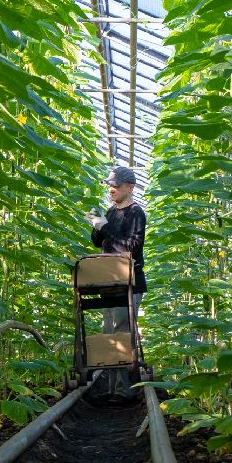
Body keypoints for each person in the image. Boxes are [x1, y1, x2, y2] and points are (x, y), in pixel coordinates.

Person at [85, 165, 146, 401]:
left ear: (129, 187)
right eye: (109, 185)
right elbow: (98, 243)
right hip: (107, 280)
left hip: (129, 282)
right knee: (109, 332)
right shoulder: (111, 213)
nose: (111, 189)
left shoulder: (135, 213)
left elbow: (130, 247)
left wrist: (106, 227)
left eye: (116, 185)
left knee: (122, 331)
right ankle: (111, 389)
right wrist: (96, 225)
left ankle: (122, 390)